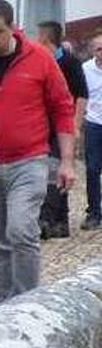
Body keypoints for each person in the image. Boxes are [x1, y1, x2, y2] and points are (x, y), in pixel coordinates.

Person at [0, 0, 75, 303]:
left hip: (29, 160)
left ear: (13, 28)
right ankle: (6, 306)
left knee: (21, 230)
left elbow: (62, 107)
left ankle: (28, 303)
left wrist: (67, 162)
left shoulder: (40, 59)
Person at [35, 20, 88, 238]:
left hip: (62, 126)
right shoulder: (40, 62)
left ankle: (46, 219)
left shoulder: (70, 63)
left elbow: (82, 95)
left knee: (56, 170)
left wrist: (75, 126)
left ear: (46, 39)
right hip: (43, 125)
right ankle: (61, 221)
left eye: (39, 37)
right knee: (51, 170)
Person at [82, 29, 102, 230]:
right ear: (92, 51)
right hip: (94, 123)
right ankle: (94, 212)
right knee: (92, 169)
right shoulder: (85, 69)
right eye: (98, 49)